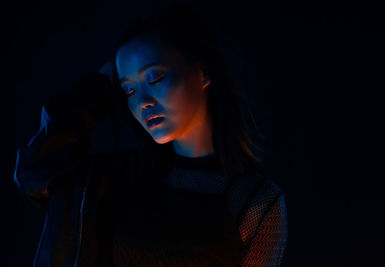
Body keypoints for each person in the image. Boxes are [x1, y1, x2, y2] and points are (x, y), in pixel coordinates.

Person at [14, 3, 288, 266]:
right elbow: (35, 170)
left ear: (203, 71)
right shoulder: (121, 178)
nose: (142, 101)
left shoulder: (253, 200)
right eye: (129, 90)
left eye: (154, 77)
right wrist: (99, 87)